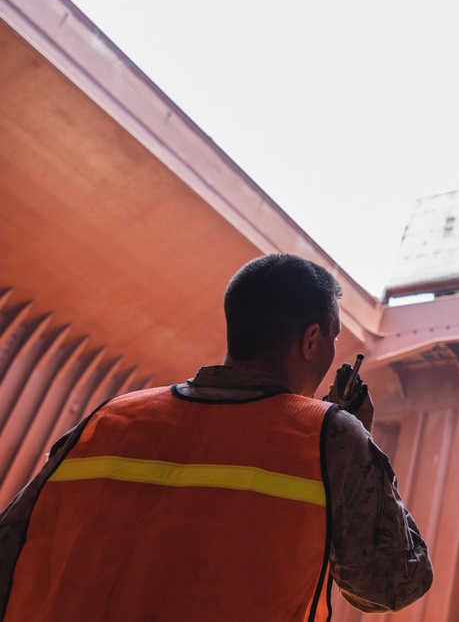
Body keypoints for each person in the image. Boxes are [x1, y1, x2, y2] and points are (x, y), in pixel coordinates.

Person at [0, 253, 432, 620]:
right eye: (334, 336)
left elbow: (10, 548)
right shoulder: (326, 435)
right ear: (312, 338)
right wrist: (362, 447)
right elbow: (390, 584)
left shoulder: (111, 416)